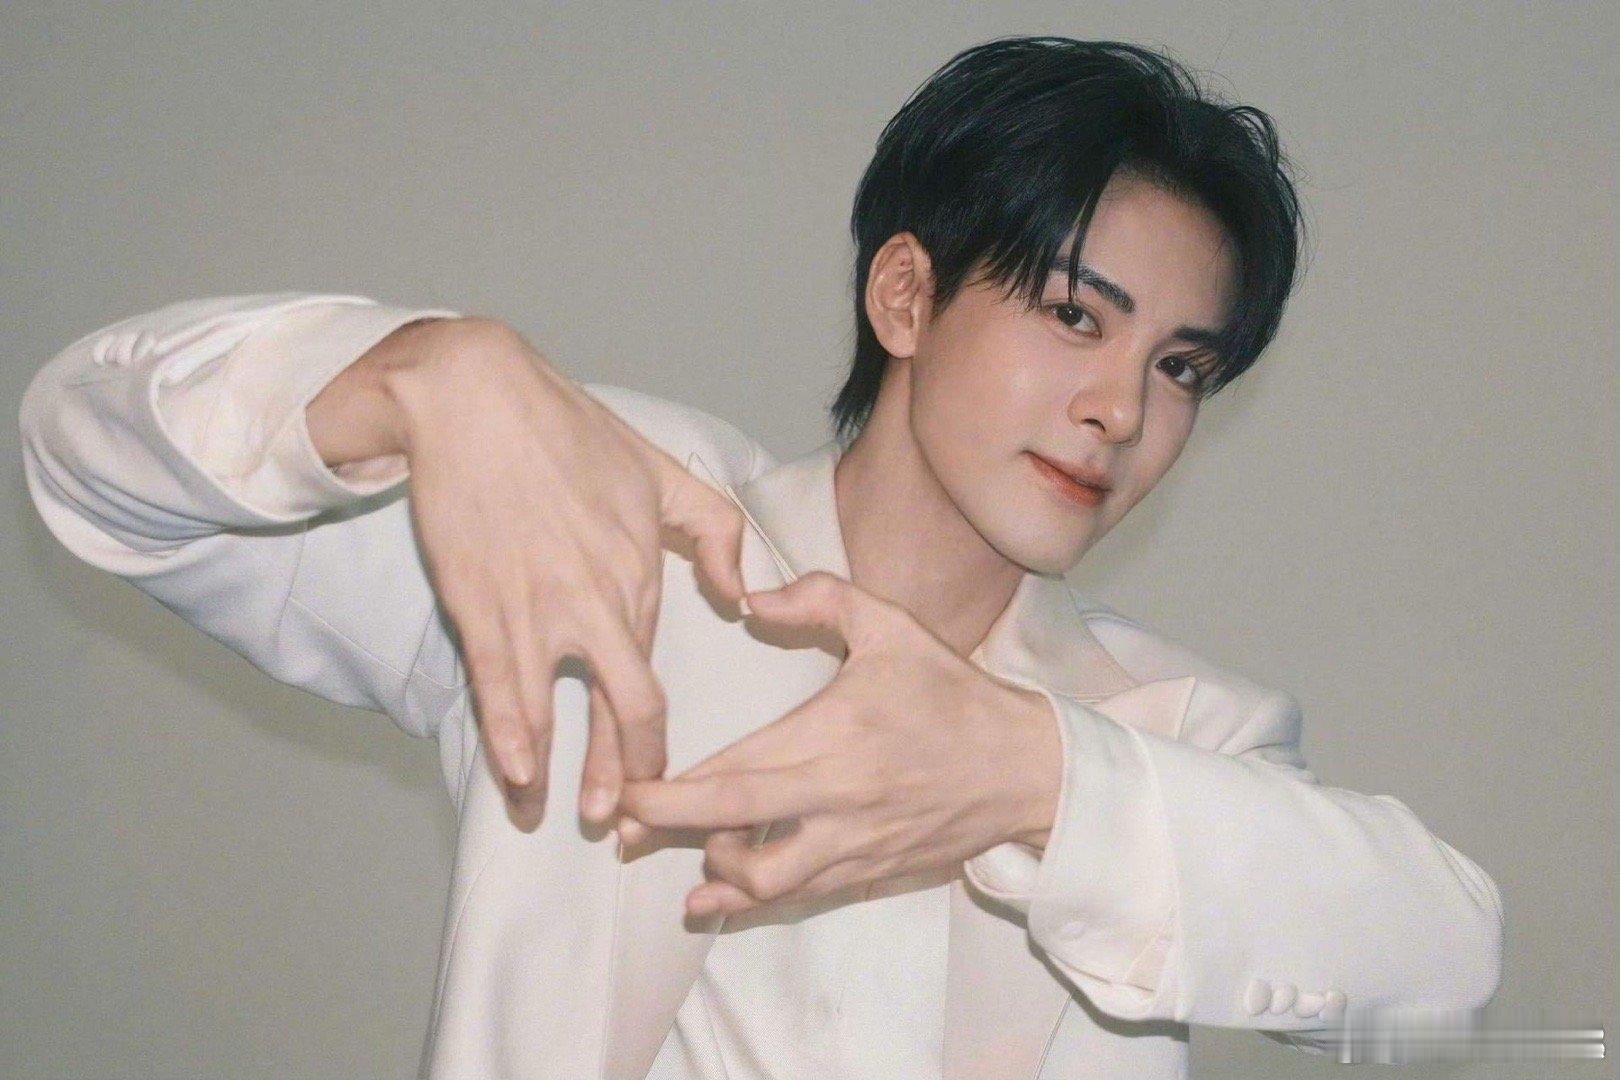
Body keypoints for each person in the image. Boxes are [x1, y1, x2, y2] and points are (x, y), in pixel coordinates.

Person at [18, 35, 1502, 1079]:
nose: (1122, 408)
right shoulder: (615, 525)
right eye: (1073, 315)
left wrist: (1032, 778)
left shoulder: (1170, 726)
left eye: (1181, 366)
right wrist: (420, 371)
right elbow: (86, 449)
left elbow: (1439, 977)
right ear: (905, 296)